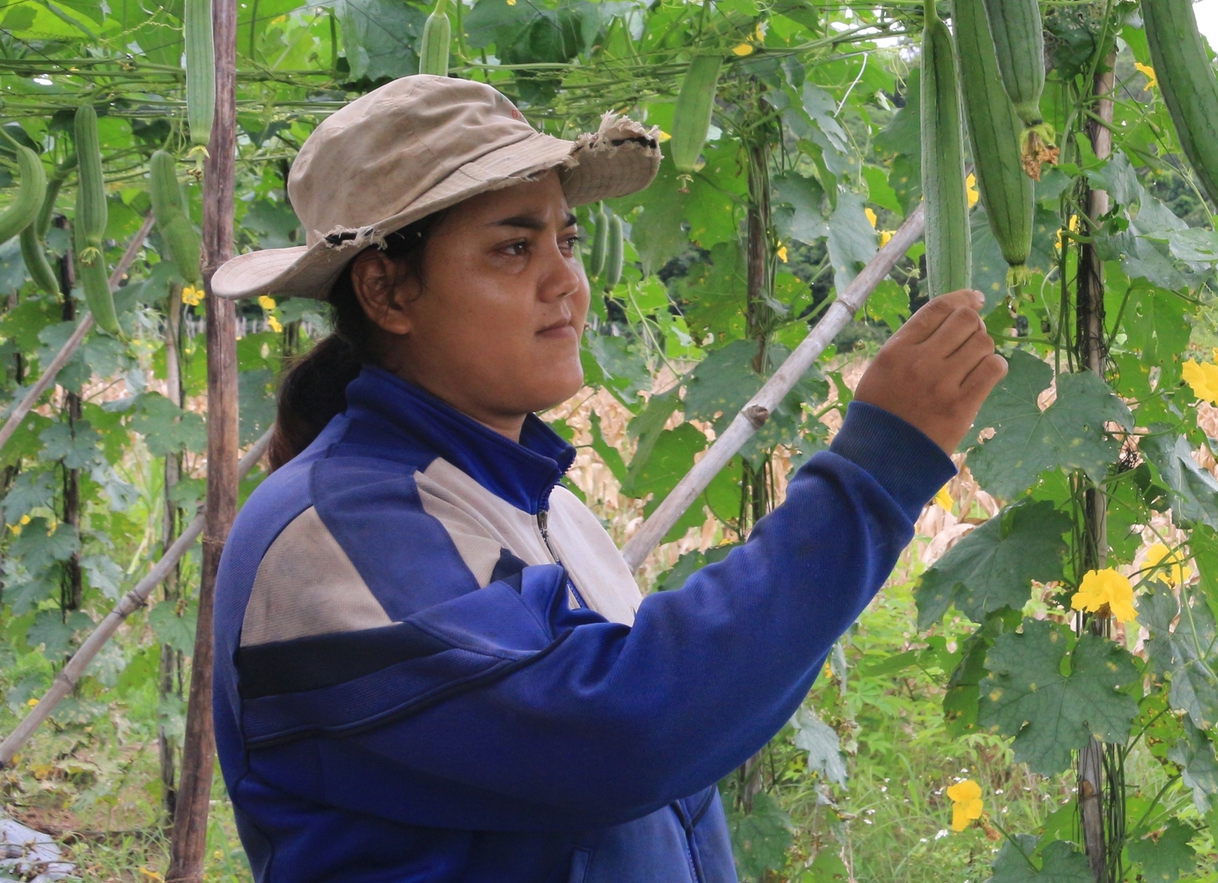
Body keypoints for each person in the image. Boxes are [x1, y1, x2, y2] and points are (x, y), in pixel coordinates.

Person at [207, 75, 1007, 883]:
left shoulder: (546, 506)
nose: (566, 282)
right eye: (514, 248)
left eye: (567, 241)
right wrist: (873, 475)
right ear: (386, 291)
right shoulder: (332, 529)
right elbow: (621, 737)